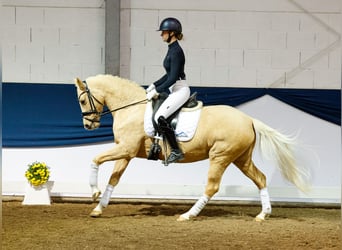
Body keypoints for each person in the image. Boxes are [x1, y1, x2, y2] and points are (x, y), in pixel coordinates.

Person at [146, 17, 190, 164]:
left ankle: (176, 151)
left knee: (160, 116)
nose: (161, 35)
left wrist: (157, 91)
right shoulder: (171, 49)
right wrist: (154, 84)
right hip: (174, 89)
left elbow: (173, 78)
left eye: (164, 32)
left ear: (172, 33)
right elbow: (168, 74)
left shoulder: (177, 51)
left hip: (180, 89)